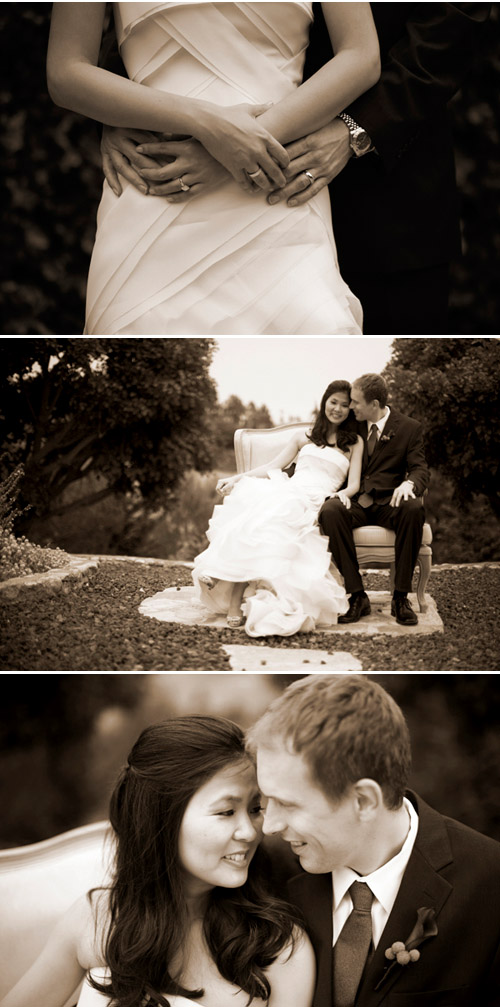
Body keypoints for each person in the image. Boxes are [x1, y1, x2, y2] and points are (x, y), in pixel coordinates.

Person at [103, 4, 491, 334]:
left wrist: (355, 129)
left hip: (382, 194)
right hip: (183, 168)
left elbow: (454, 21)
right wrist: (119, 106)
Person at [47, 3, 380, 335]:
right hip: (158, 186)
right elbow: (66, 72)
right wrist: (207, 123)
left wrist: (252, 141)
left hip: (278, 186)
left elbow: (360, 56)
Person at [0, 716, 315, 1007]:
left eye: (255, 809)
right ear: (162, 818)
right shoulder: (99, 918)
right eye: (226, 812)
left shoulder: (278, 945)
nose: (250, 832)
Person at [247, 674, 500, 1007]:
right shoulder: (267, 881)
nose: (270, 826)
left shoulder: (490, 883)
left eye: (290, 804)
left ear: (363, 800)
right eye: (266, 800)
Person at [140, 381, 363, 636]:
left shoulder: (354, 442)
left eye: (345, 405)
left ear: (351, 410)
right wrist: (236, 479)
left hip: (319, 500)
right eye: (333, 402)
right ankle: (225, 580)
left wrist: (340, 495)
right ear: (324, 402)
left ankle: (224, 576)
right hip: (291, 490)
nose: (337, 409)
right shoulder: (304, 436)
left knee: (272, 519)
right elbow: (273, 466)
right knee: (261, 518)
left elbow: (354, 484)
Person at [319, 373, 429, 627]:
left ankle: (401, 598)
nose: (350, 407)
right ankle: (357, 596)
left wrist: (409, 483)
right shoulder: (352, 425)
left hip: (390, 504)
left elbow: (420, 469)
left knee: (413, 508)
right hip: (356, 501)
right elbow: (322, 449)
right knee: (330, 511)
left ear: (375, 404)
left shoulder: (409, 428)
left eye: (355, 402)